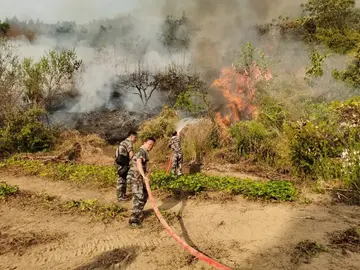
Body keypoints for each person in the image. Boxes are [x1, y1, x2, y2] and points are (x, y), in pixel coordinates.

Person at [127, 137, 156, 228]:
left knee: (145, 194)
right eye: (149, 144)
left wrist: (147, 175)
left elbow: (145, 166)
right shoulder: (141, 151)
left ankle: (138, 212)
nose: (150, 147)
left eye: (152, 145)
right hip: (135, 178)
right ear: (145, 142)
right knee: (139, 197)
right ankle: (133, 220)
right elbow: (139, 163)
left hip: (139, 178)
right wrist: (144, 176)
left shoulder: (145, 152)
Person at [115, 131, 137, 201]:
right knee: (122, 179)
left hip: (118, 162)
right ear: (131, 136)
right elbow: (131, 154)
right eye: (135, 137)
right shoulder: (129, 142)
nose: (135, 139)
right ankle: (120, 197)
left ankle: (122, 195)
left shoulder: (123, 142)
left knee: (121, 178)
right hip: (123, 162)